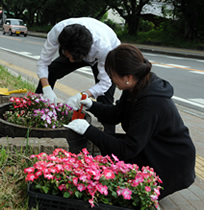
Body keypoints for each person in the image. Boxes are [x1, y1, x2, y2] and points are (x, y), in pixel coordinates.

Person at [64, 44, 196, 200]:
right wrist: (92, 105)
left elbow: (127, 149)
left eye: (112, 75)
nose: (111, 80)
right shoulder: (136, 87)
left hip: (169, 163)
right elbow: (116, 114)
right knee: (109, 151)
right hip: (152, 149)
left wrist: (88, 130)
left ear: (127, 77)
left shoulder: (150, 103)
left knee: (127, 197)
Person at [35, 17, 121, 133]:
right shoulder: (58, 32)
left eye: (73, 58)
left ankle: (107, 139)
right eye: (68, 56)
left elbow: (105, 82)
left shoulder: (104, 47)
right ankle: (37, 112)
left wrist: (82, 96)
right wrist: (46, 88)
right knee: (52, 71)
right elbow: (43, 63)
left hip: (106, 55)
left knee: (105, 98)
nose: (71, 61)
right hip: (76, 48)